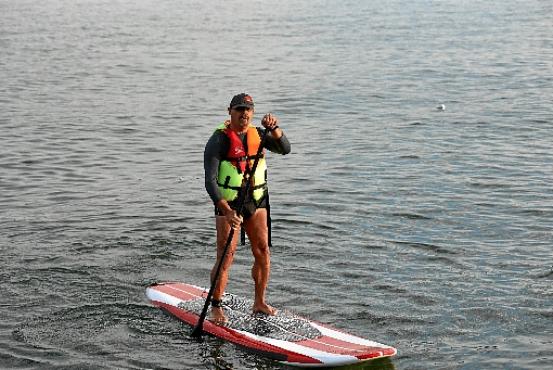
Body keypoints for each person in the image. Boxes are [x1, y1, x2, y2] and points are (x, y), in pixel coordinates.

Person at [203, 93, 291, 324]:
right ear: (229, 111)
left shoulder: (260, 135)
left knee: (262, 251)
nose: (244, 113)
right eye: (239, 109)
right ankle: (215, 306)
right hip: (229, 202)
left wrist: (275, 129)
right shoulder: (219, 140)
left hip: (256, 199)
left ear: (253, 113)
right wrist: (226, 210)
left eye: (248, 110)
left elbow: (285, 149)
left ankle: (259, 302)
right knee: (225, 256)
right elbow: (209, 181)